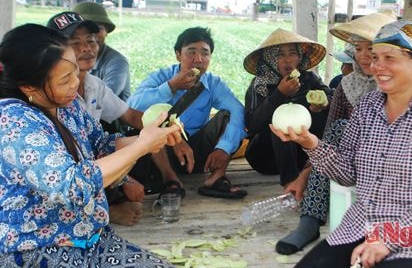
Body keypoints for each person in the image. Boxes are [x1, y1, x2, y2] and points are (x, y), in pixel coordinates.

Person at [271, 20, 412, 268]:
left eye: (389, 58)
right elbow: (347, 174)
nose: (377, 66)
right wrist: (310, 142)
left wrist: (388, 239)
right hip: (360, 228)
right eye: (376, 57)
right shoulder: (367, 107)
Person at [0, 23, 181, 267]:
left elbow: (101, 146)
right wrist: (141, 147)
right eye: (65, 79)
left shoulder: (65, 104)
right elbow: (71, 187)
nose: (76, 83)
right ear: (29, 87)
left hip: (89, 239)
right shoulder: (14, 121)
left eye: (75, 71)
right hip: (39, 250)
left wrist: (146, 138)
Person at [275, 12, 395, 256]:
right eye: (357, 48)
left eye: (370, 47)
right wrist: (304, 175)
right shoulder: (347, 85)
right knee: (338, 127)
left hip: (390, 161)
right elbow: (329, 137)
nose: (362, 55)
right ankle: (310, 221)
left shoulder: (397, 84)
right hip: (347, 159)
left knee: (342, 127)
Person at [47, 11, 175, 226]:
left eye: (91, 41)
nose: (86, 48)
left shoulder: (93, 85)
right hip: (66, 183)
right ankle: (105, 209)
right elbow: (68, 177)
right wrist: (125, 177)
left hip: (90, 167)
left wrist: (162, 130)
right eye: (75, 43)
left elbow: (105, 139)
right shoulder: (39, 104)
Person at [128, 26, 248, 199]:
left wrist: (224, 148)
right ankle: (170, 180)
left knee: (227, 115)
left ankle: (216, 177)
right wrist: (171, 86)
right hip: (163, 151)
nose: (198, 59)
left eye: (205, 53)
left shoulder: (213, 83)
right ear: (178, 54)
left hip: (198, 151)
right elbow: (132, 107)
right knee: (150, 124)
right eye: (191, 52)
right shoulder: (161, 77)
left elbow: (238, 111)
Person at [243, 28, 331, 190]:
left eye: (292, 53)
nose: (287, 60)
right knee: (281, 118)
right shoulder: (260, 85)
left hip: (302, 157)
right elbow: (252, 125)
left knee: (322, 113)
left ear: (299, 57)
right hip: (265, 157)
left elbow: (329, 98)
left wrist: (322, 104)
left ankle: (315, 170)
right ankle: (289, 182)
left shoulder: (309, 79)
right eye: (279, 55)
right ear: (269, 59)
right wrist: (279, 95)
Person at [73, 1, 131, 101]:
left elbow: (103, 101)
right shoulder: (65, 60)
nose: (92, 35)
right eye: (82, 30)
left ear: (107, 32)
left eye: (98, 28)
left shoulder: (117, 62)